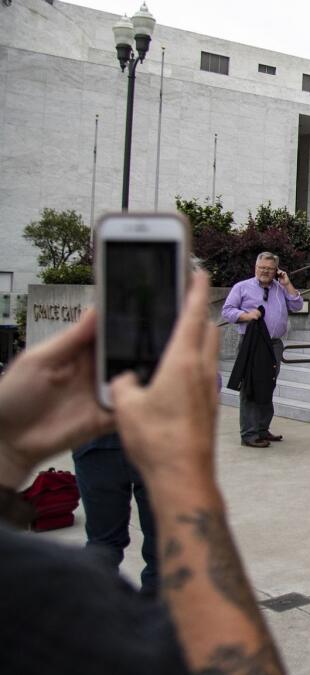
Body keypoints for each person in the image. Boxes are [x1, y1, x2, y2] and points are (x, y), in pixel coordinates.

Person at [0, 270, 283, 674]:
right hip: (131, 449)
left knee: (118, 544)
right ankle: (147, 630)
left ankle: (125, 625)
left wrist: (8, 446)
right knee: (142, 546)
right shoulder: (161, 337)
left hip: (112, 447)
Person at [221, 251, 302, 448]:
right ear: (255, 268)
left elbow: (298, 305)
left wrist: (287, 283)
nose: (265, 272)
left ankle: (262, 429)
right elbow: (227, 311)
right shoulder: (242, 287)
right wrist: (246, 315)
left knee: (268, 385)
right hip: (252, 343)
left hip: (274, 344)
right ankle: (249, 434)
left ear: (276, 270)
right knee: (250, 387)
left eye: (270, 269)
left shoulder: (280, 288)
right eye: (262, 268)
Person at [73, 432, 159, 596]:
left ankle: (100, 609)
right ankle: (157, 611)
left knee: (103, 543)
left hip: (93, 442)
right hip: (152, 438)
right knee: (162, 545)